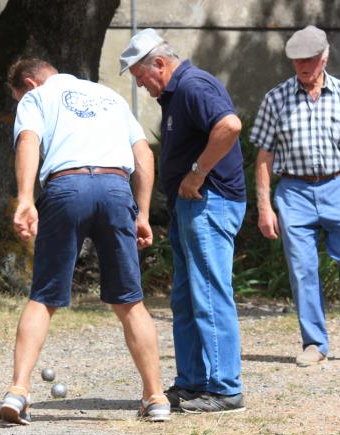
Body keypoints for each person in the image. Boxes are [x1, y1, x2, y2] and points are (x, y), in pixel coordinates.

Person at [0, 58, 170, 425]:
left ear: (28, 84)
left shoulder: (37, 97)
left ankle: (17, 391)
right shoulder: (110, 96)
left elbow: (28, 139)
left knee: (43, 297)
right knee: (131, 301)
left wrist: (26, 197)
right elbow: (143, 154)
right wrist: (141, 213)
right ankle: (156, 398)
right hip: (114, 186)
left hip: (67, 186)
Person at [120, 29, 247, 413]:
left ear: (159, 63)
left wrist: (196, 173)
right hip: (192, 207)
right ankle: (193, 383)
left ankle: (226, 388)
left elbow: (230, 126)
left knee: (208, 293)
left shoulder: (193, 85)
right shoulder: (178, 94)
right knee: (187, 298)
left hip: (210, 202)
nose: (143, 87)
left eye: (142, 79)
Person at [249, 25, 340, 367]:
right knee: (302, 269)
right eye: (297, 61)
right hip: (293, 190)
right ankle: (315, 343)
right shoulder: (275, 98)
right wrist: (265, 207)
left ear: (325, 58)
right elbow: (264, 158)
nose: (303, 67)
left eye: (310, 60)